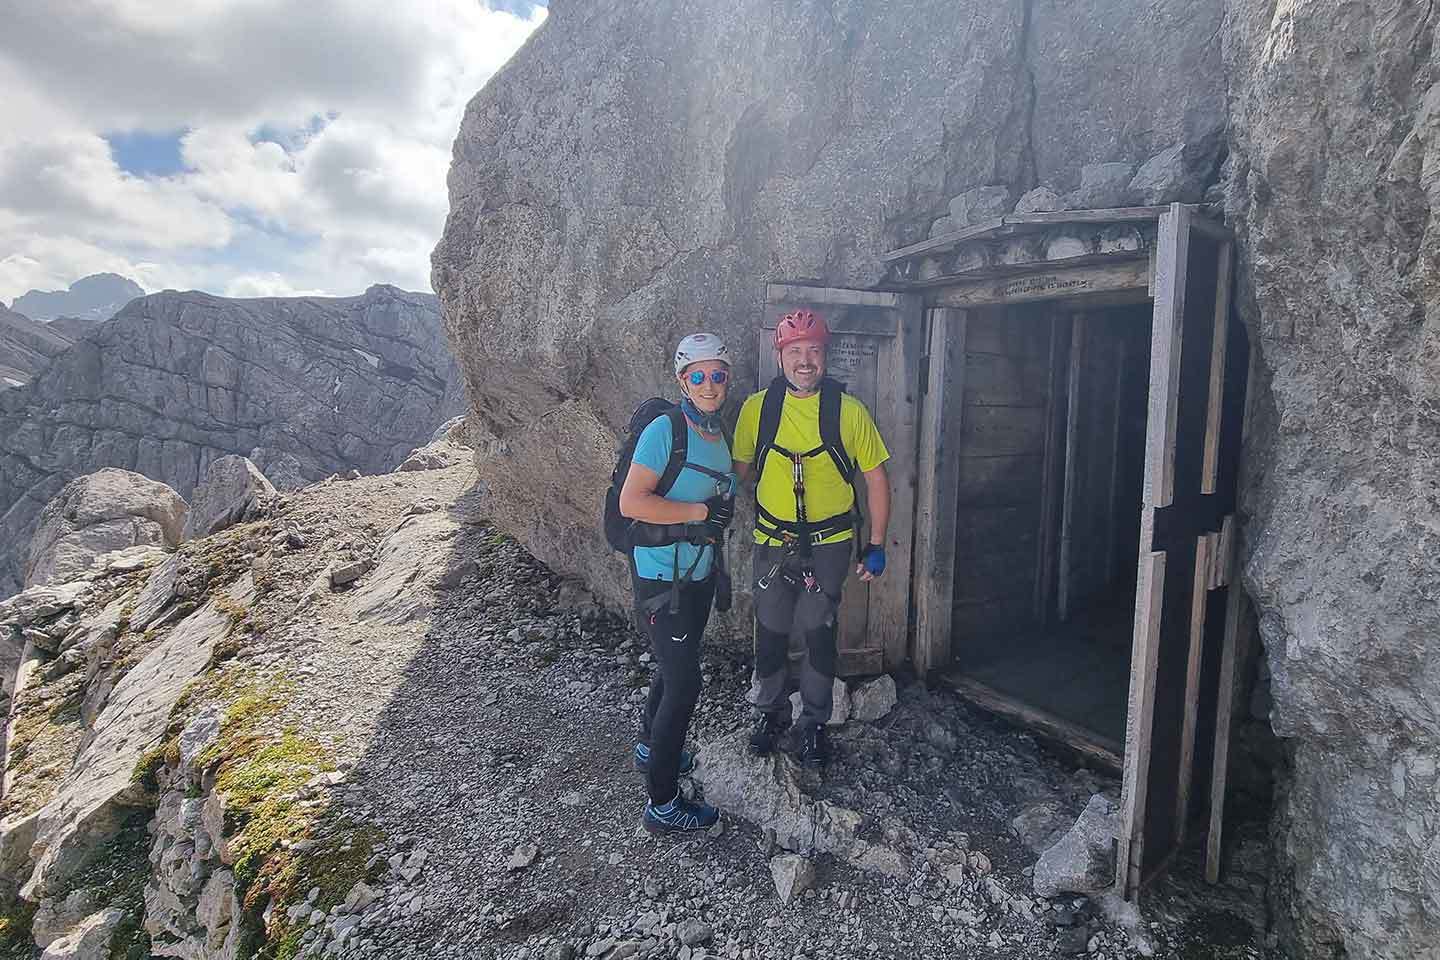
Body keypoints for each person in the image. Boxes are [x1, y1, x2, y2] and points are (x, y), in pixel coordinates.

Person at [731, 309, 891, 769]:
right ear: (780, 356)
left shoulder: (848, 411)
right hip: (772, 541)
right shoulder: (757, 409)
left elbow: (876, 479)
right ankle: (768, 713)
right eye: (796, 351)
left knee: (819, 633)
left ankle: (814, 722)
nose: (805, 361)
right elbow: (738, 472)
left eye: (814, 351)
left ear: (825, 356)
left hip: (829, 543)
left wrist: (876, 543)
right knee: (772, 631)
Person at [619, 332, 736, 834]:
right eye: (698, 376)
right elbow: (632, 502)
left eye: (717, 375)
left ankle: (650, 746)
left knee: (674, 667)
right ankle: (662, 803)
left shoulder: (716, 433)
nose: (709, 384)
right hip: (661, 578)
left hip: (697, 574)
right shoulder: (666, 429)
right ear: (681, 381)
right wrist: (700, 512)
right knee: (686, 681)